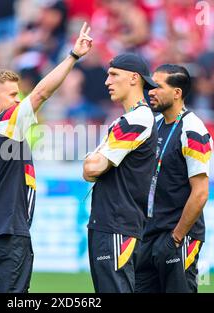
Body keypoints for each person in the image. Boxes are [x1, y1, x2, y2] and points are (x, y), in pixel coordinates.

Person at [0, 22, 93, 293]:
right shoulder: (8, 124)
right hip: (7, 235)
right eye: (12, 95)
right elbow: (42, 93)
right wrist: (73, 56)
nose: (18, 100)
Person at [82, 52, 158, 293]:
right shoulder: (126, 120)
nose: (107, 81)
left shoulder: (137, 119)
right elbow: (89, 169)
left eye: (114, 74)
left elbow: (92, 167)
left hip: (118, 223)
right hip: (110, 222)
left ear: (135, 78)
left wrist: (94, 162)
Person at [135, 64, 212, 293]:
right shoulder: (155, 126)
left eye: (157, 86)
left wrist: (176, 238)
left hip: (177, 236)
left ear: (177, 93)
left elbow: (200, 192)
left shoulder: (193, 129)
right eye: (149, 86)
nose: (150, 91)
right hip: (149, 235)